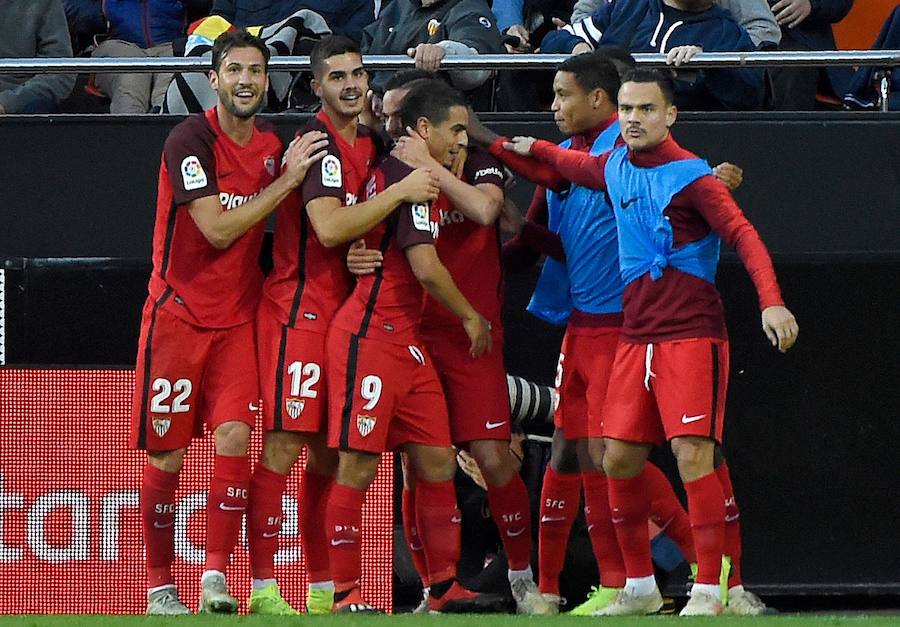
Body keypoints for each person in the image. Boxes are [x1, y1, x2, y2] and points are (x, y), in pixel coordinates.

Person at [504, 68, 798, 615]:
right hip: (634, 337)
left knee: (693, 456)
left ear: (670, 115)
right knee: (616, 459)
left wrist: (771, 301)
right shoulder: (615, 166)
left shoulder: (694, 178)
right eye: (628, 109)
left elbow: (744, 236)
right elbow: (567, 165)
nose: (634, 119)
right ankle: (639, 584)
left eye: (645, 109)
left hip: (690, 335)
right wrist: (508, 143)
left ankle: (710, 587)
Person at [471, 50, 728, 615]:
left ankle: (703, 579)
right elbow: (545, 237)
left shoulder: (625, 155)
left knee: (617, 454)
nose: (554, 105)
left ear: (599, 99)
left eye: (563, 95)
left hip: (629, 327)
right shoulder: (579, 157)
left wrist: (476, 134)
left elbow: (701, 200)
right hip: (581, 326)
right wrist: (506, 232)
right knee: (574, 452)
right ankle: (569, 587)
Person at [129, 29, 330, 615]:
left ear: (267, 79)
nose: (246, 80)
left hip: (239, 321)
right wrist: (285, 181)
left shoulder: (272, 145)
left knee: (237, 438)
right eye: (234, 70)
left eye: (256, 71)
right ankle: (160, 588)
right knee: (165, 456)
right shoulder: (189, 140)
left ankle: (215, 577)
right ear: (213, 79)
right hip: (178, 318)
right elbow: (216, 229)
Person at [243, 34, 440, 615]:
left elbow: (353, 229)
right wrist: (398, 194)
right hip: (299, 312)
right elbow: (328, 229)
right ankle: (260, 586)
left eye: (358, 74)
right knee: (285, 444)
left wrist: (363, 241)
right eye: (338, 77)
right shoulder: (317, 147)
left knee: (329, 455)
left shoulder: (373, 144)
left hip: (350, 318)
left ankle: (327, 590)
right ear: (317, 85)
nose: (352, 84)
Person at [353, 71, 552, 615]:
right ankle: (432, 589)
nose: (465, 139)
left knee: (494, 456)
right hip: (414, 333)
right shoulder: (391, 173)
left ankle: (521, 578)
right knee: (420, 463)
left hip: (474, 334)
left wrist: (433, 163)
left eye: (465, 130)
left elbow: (487, 211)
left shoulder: (477, 163)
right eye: (387, 117)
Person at [323, 79, 505, 614]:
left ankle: (443, 587)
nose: (462, 142)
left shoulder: (403, 175)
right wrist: (471, 315)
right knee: (357, 466)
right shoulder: (407, 177)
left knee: (435, 461)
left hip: (408, 343)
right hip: (371, 337)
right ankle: (343, 594)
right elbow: (426, 268)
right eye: (455, 131)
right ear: (423, 129)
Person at [540, 0, 765, 111]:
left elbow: (751, 96)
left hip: (673, 141)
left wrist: (706, 64)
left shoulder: (726, 32)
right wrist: (582, 51)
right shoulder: (628, 6)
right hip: (602, 128)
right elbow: (554, 41)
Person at [361, 0, 504, 96]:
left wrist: (445, 51)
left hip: (433, 118)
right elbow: (363, 52)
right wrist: (371, 93)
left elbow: (477, 67)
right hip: (377, 112)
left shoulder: (470, 7)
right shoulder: (398, 5)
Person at [90, 0, 186, 113]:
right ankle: (131, 126)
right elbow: (81, 16)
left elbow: (204, 8)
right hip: (120, 44)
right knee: (130, 82)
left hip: (170, 45)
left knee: (169, 86)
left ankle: (165, 122)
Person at [767, 0, 853, 109]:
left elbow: (839, 4)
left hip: (803, 51)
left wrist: (811, 4)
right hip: (746, 47)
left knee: (797, 67)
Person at [0, 0, 75, 114]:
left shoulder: (44, 3)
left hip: (21, 105)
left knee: (40, 108)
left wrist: (8, 103)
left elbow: (61, 73)